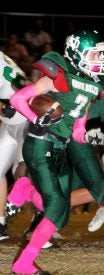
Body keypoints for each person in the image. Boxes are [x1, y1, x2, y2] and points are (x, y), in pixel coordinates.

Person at [5, 28, 104, 275]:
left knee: (58, 214)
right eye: (94, 54)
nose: (99, 60)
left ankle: (24, 189)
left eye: (100, 54)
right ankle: (23, 264)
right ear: (77, 54)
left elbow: (79, 116)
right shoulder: (60, 76)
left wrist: (85, 133)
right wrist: (35, 118)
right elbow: (18, 99)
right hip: (41, 143)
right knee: (58, 206)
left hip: (59, 146)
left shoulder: (94, 84)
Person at [0, 52, 29, 241]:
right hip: (14, 121)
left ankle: (42, 224)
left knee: (24, 175)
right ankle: (1, 223)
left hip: (24, 119)